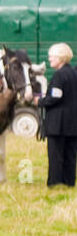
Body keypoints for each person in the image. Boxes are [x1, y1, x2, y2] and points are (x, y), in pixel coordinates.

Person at [37, 42, 77, 187]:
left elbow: (55, 97)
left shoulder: (59, 75)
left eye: (51, 56)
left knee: (56, 155)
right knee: (70, 155)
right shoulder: (74, 72)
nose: (49, 59)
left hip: (58, 124)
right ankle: (69, 182)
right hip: (73, 123)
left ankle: (54, 183)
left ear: (60, 58)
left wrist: (39, 101)